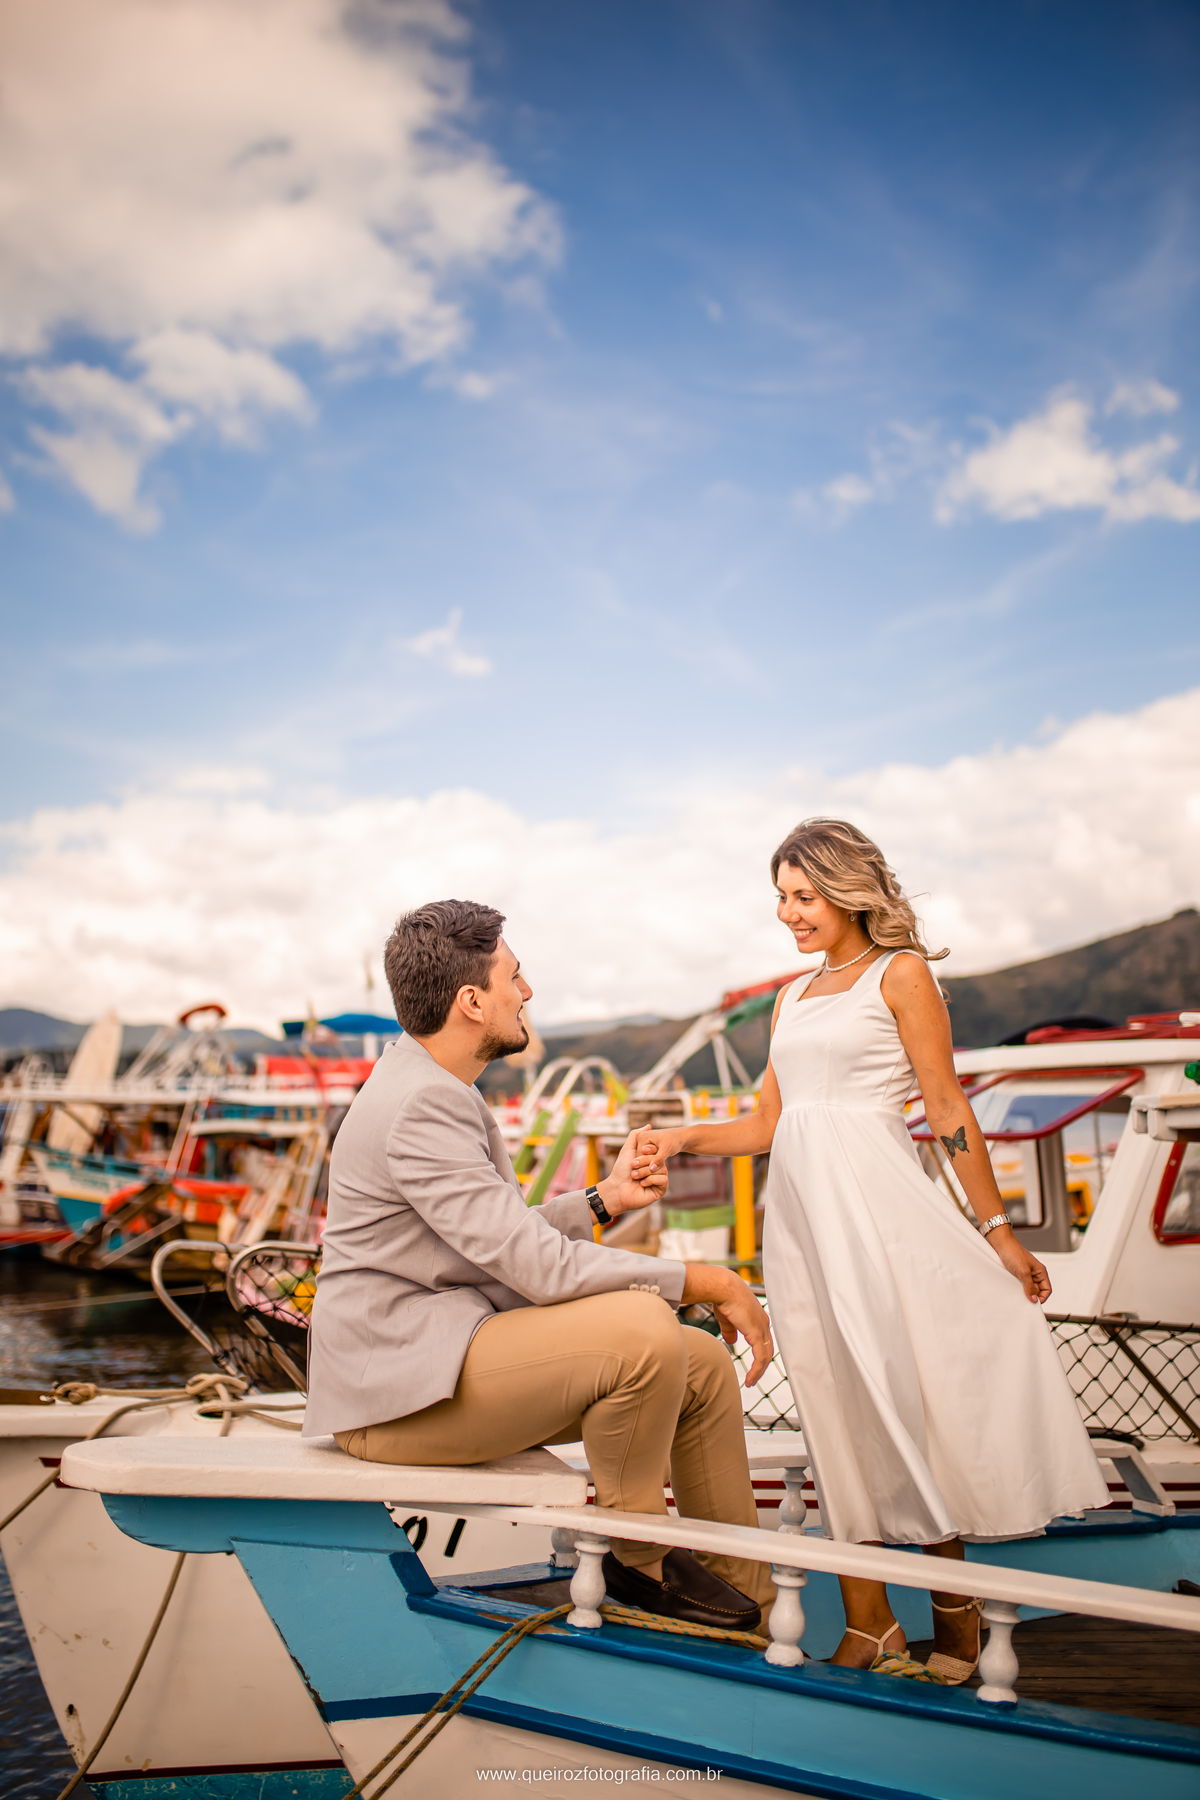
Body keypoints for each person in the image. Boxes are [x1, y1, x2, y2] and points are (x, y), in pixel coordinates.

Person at [632, 818, 1108, 1681]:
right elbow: (770, 1124)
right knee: (833, 1416)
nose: (789, 913)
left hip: (883, 1218)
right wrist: (678, 1137)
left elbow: (948, 1108)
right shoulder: (790, 999)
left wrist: (998, 1233)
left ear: (848, 890)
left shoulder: (902, 975)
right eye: (780, 897)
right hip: (806, 1231)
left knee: (899, 1407)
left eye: (803, 896)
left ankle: (954, 1614)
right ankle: (872, 1626)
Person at [305, 898, 777, 1628]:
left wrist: (603, 1199)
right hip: (395, 1395)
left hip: (440, 1358)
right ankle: (637, 1564)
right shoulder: (421, 1105)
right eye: (514, 978)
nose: (526, 992)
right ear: (471, 1001)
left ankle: (746, 1601)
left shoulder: (431, 1088)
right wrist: (705, 1280)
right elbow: (540, 1271)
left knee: (701, 1363)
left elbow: (498, 1240)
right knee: (642, 1332)